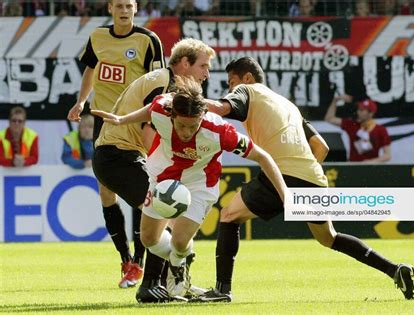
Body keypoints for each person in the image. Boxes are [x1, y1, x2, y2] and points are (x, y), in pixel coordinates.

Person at [190, 57, 414, 302]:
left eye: (231, 82)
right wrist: (302, 179)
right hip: (313, 176)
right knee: (329, 238)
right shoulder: (289, 105)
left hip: (282, 172)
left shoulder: (248, 90)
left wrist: (182, 99)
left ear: (247, 78)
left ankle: (222, 290)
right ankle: (395, 270)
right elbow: (321, 147)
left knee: (228, 215)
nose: (230, 90)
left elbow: (220, 108)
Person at [91, 76, 288, 301]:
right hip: (162, 179)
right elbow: (150, 109)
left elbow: (263, 157)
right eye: (181, 125)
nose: (186, 132)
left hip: (200, 185)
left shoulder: (220, 131)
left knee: (179, 240)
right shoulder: (163, 108)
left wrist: (285, 194)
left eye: (192, 126)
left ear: (202, 117)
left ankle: (178, 265)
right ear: (172, 115)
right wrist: (122, 119)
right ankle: (182, 261)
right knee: (148, 239)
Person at [91, 38, 217, 302]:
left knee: (166, 217)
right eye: (203, 66)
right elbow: (149, 127)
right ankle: (153, 284)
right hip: (119, 157)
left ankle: (167, 282)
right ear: (184, 63)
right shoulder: (167, 84)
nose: (206, 74)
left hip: (116, 156)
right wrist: (165, 172)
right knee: (166, 212)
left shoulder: (162, 79)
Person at [67, 0, 166, 289]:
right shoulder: (97, 36)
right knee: (106, 193)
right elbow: (91, 69)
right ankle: (126, 259)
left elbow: (159, 83)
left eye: (129, 5)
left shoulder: (148, 40)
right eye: (119, 5)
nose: (124, 10)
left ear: (136, 8)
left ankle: (140, 257)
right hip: (102, 121)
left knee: (141, 188)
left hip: (134, 122)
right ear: (110, 8)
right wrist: (82, 101)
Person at [325, 94, 391, 163]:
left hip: (372, 168)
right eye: (359, 109)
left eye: (362, 110)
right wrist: (335, 101)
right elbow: (329, 118)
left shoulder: (380, 130)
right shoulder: (352, 125)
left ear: (371, 113)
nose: (358, 111)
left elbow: (387, 155)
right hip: (353, 165)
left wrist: (370, 162)